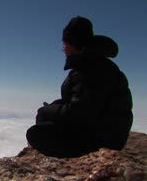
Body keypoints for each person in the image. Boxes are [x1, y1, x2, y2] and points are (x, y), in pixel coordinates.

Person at [26, 16, 133, 158]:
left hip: (102, 140)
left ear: (71, 44)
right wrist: (53, 107)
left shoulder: (90, 70)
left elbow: (79, 113)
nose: (63, 49)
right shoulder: (96, 64)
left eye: (64, 44)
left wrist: (46, 110)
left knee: (36, 133)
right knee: (46, 116)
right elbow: (82, 102)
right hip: (106, 133)